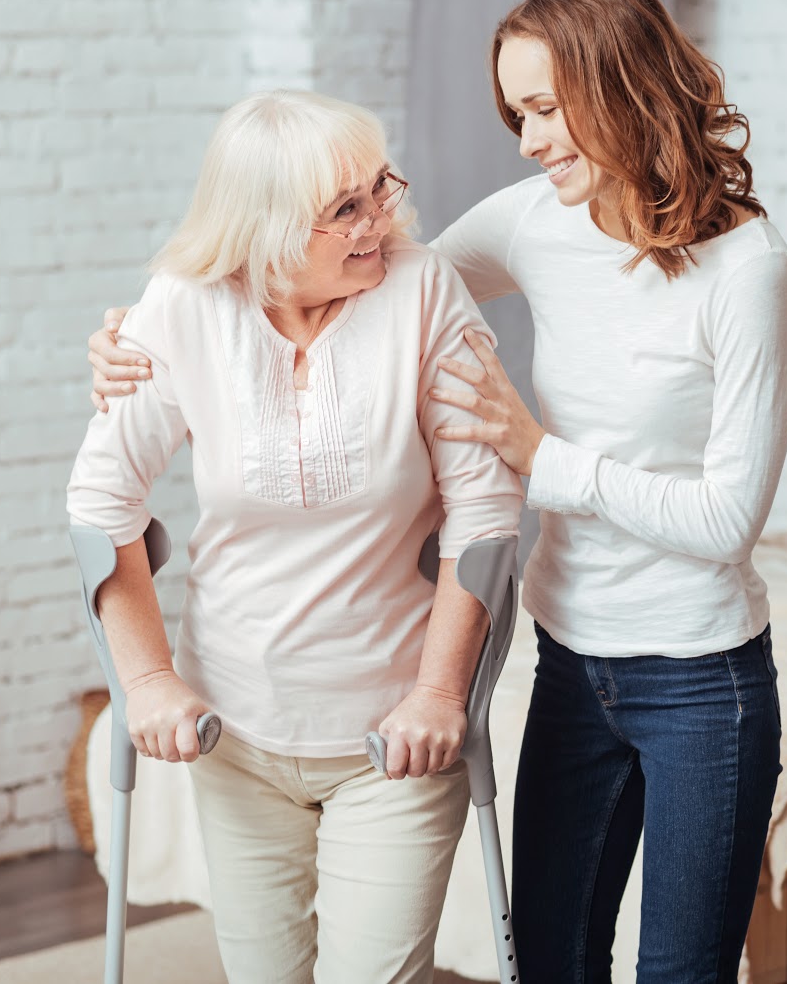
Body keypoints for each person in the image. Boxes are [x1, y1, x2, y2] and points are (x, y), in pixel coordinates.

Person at [86, 0, 787, 982]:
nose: (529, 140)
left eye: (547, 108)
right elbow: (373, 279)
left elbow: (727, 519)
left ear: (622, 87)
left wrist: (540, 458)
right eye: (518, 113)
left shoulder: (748, 269)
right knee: (551, 960)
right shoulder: (536, 219)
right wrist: (145, 336)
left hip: (700, 674)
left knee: (681, 971)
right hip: (571, 658)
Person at [68, 89, 522, 984]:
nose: (378, 224)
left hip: (392, 736)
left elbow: (485, 512)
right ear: (266, 229)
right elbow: (100, 501)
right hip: (233, 729)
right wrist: (149, 680)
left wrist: (440, 694)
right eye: (344, 210)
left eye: (378, 191)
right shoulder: (184, 308)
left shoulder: (423, 290)